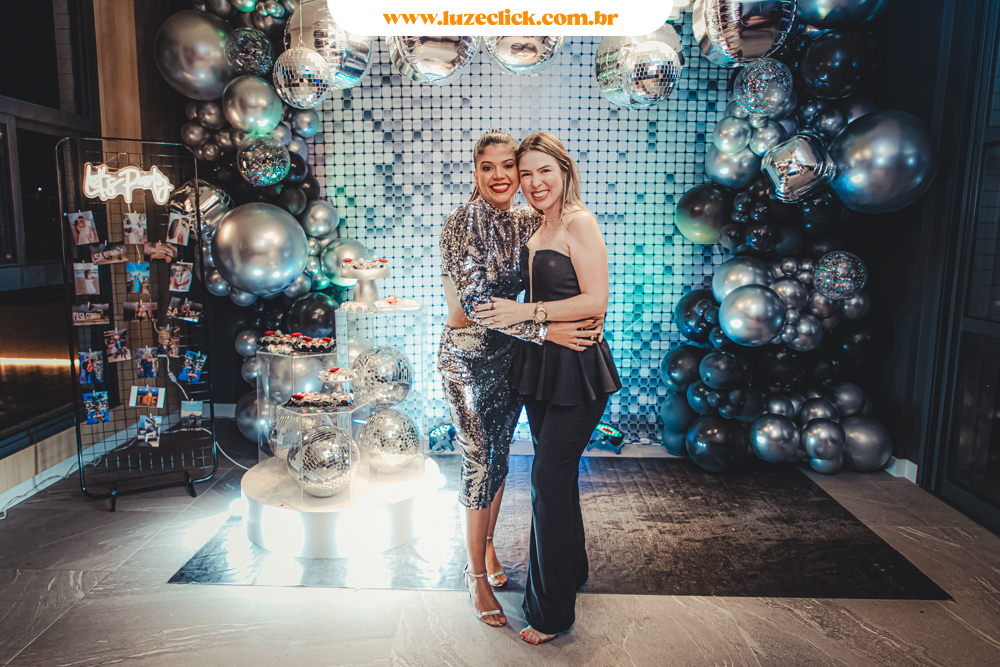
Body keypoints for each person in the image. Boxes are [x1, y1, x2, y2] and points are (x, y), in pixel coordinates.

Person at [438, 130, 602, 629]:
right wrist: (546, 329)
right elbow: (470, 308)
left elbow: (578, 286)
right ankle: (475, 577)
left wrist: (550, 324)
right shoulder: (464, 221)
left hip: (516, 360)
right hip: (470, 362)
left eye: (511, 166)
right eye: (489, 167)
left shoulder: (530, 219)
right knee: (480, 464)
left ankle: (491, 548)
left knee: (501, 461)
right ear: (475, 173)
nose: (505, 176)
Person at [474, 132, 621, 645]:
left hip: (578, 368)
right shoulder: (535, 224)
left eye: (544, 171)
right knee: (557, 480)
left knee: (546, 479)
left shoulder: (580, 222)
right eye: (526, 173)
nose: (535, 182)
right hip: (540, 367)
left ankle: (552, 612)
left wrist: (525, 312)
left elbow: (597, 300)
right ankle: (571, 570)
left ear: (564, 171)